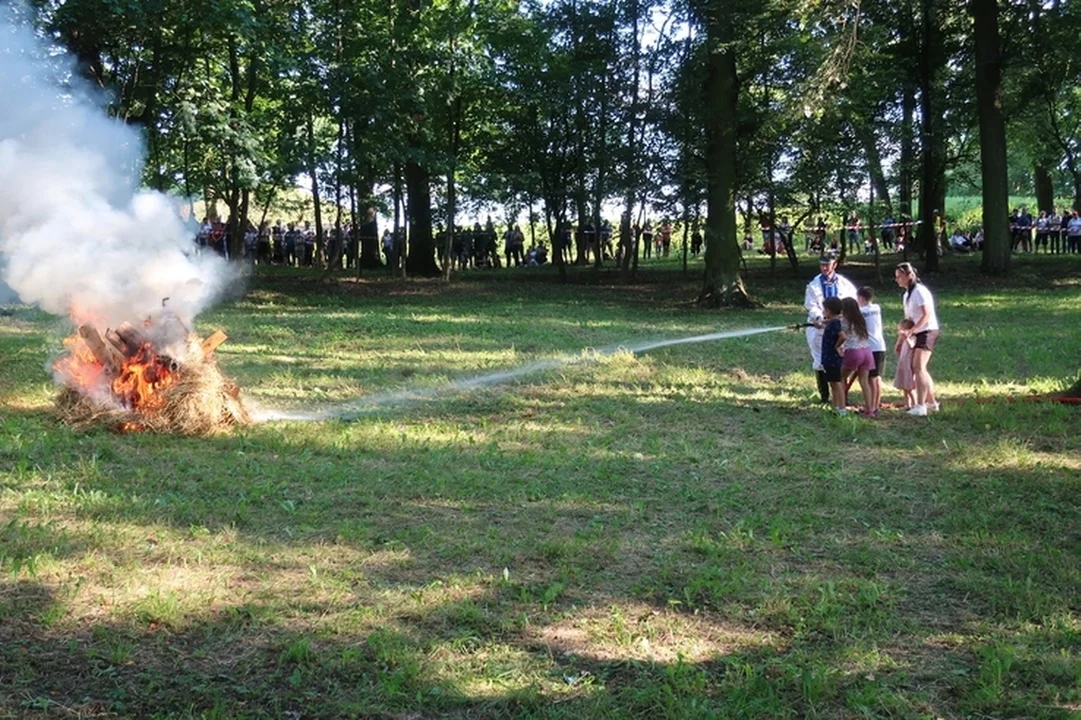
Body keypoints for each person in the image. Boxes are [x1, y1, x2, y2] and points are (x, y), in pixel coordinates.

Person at [804, 253, 858, 403]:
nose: (824, 268)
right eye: (822, 265)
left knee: (840, 359)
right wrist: (819, 318)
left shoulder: (844, 284)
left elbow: (852, 301)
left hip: (839, 326)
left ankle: (842, 396)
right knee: (820, 360)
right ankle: (824, 396)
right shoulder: (814, 285)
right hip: (819, 328)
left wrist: (842, 317)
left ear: (834, 265)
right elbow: (811, 305)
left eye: (827, 265)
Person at [895, 262, 940, 416]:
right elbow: (908, 319)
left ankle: (921, 405)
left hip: (927, 331)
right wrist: (902, 338)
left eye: (900, 277)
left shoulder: (920, 291)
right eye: (896, 277)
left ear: (910, 276)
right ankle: (932, 402)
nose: (898, 280)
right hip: (915, 332)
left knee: (918, 367)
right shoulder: (907, 295)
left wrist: (914, 330)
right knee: (919, 368)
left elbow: (926, 314)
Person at [838, 297, 875, 415]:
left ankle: (841, 405)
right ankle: (870, 410)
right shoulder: (860, 319)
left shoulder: (843, 321)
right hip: (867, 351)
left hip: (853, 352)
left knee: (840, 378)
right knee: (864, 381)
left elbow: (833, 326)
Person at [857, 286, 886, 416]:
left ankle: (872, 406)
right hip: (880, 346)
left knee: (871, 379)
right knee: (877, 377)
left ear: (861, 298)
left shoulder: (861, 311)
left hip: (870, 347)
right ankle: (875, 404)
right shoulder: (877, 308)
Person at [820, 297, 847, 415]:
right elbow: (829, 326)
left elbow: (843, 336)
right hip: (829, 359)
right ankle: (836, 407)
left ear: (829, 311)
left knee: (837, 383)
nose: (823, 312)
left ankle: (842, 409)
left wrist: (836, 347)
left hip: (832, 359)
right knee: (833, 383)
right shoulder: (834, 322)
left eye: (824, 310)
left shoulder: (835, 323)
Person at [893, 318, 917, 410]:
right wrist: (899, 343)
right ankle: (908, 404)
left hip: (908, 365)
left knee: (909, 386)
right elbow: (898, 351)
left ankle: (915, 404)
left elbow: (912, 345)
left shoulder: (912, 338)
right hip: (903, 364)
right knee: (904, 386)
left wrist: (906, 336)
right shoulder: (903, 340)